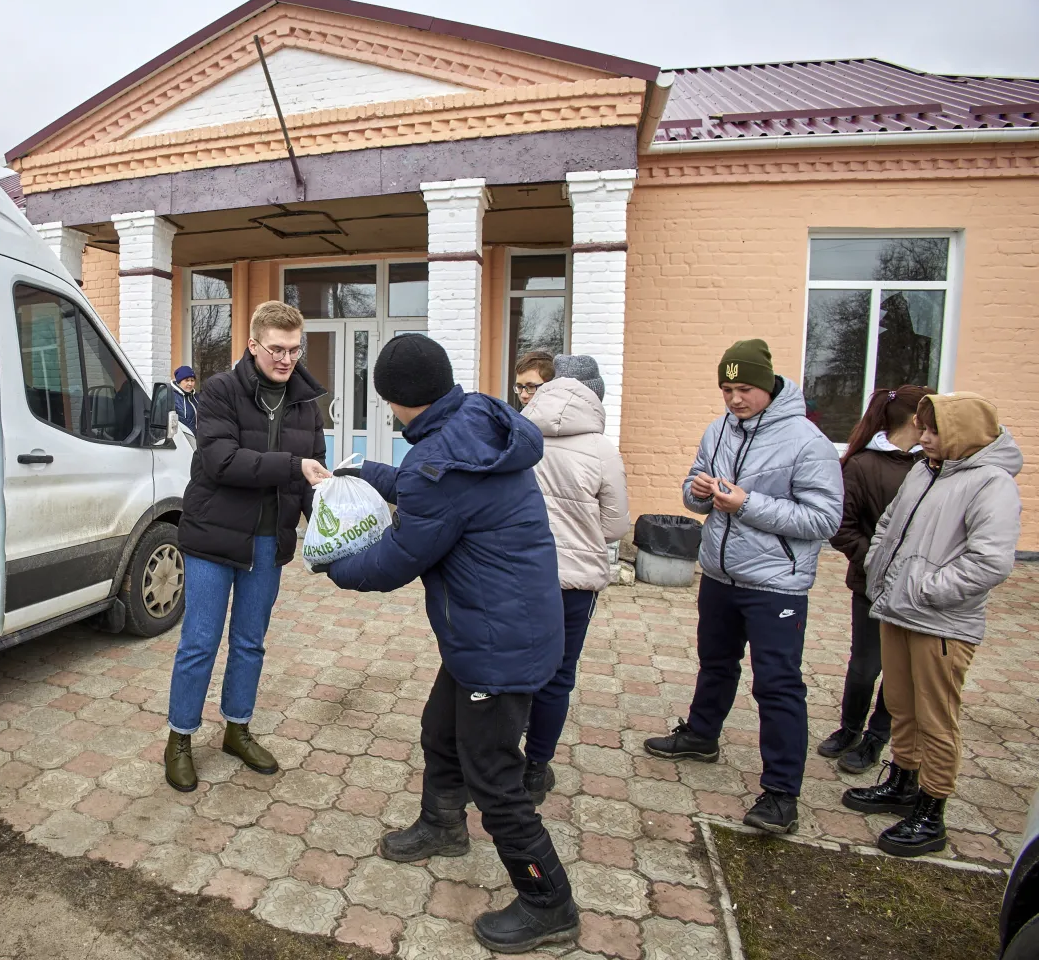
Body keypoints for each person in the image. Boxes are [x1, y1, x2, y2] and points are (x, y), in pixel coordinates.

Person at [319, 334, 575, 953]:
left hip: (497, 641)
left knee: (493, 773)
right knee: (441, 728)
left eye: (385, 404)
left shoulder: (438, 463)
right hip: (497, 627)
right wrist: (357, 471)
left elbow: (398, 557)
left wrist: (330, 563)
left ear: (399, 402)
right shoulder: (475, 420)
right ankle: (441, 824)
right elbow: (428, 487)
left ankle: (550, 903)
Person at [642, 339, 843, 835]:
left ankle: (780, 794)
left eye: (745, 388)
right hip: (718, 574)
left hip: (775, 584)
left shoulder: (806, 441)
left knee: (777, 685)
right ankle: (702, 736)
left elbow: (824, 519)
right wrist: (698, 492)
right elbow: (696, 487)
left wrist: (746, 504)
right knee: (715, 663)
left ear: (769, 385)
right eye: (727, 389)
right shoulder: (719, 430)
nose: (735, 399)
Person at [843, 393, 1023, 857]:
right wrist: (885, 576)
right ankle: (902, 783)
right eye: (921, 428)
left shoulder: (991, 484)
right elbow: (887, 528)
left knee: (936, 719)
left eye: (933, 430)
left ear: (961, 434)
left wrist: (925, 588)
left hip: (940, 623)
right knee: (902, 706)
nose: (922, 438)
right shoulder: (927, 470)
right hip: (897, 609)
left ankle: (931, 811)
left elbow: (991, 562)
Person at [164, 301, 330, 793]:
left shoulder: (304, 401)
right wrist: (293, 466)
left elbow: (312, 470)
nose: (286, 359)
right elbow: (221, 460)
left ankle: (237, 728)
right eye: (276, 349)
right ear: (253, 345)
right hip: (213, 539)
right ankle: (179, 739)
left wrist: (327, 521)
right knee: (199, 642)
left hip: (267, 542)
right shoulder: (219, 390)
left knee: (250, 642)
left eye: (294, 349)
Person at [519, 353, 629, 803]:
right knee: (557, 677)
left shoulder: (520, 436)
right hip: (574, 585)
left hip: (519, 576)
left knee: (512, 668)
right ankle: (535, 770)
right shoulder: (603, 451)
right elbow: (616, 527)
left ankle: (491, 756)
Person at [818, 385, 931, 774]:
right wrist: (881, 562)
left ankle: (876, 738)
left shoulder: (936, 466)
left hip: (919, 590)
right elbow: (842, 528)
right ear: (918, 419)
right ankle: (848, 729)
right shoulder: (862, 465)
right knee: (866, 665)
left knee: (900, 672)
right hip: (872, 583)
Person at [171, 365, 198, 434]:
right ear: (179, 381)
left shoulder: (196, 397)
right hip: (179, 440)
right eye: (187, 380)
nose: (190, 384)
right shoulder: (171, 396)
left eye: (192, 380)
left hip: (196, 439)